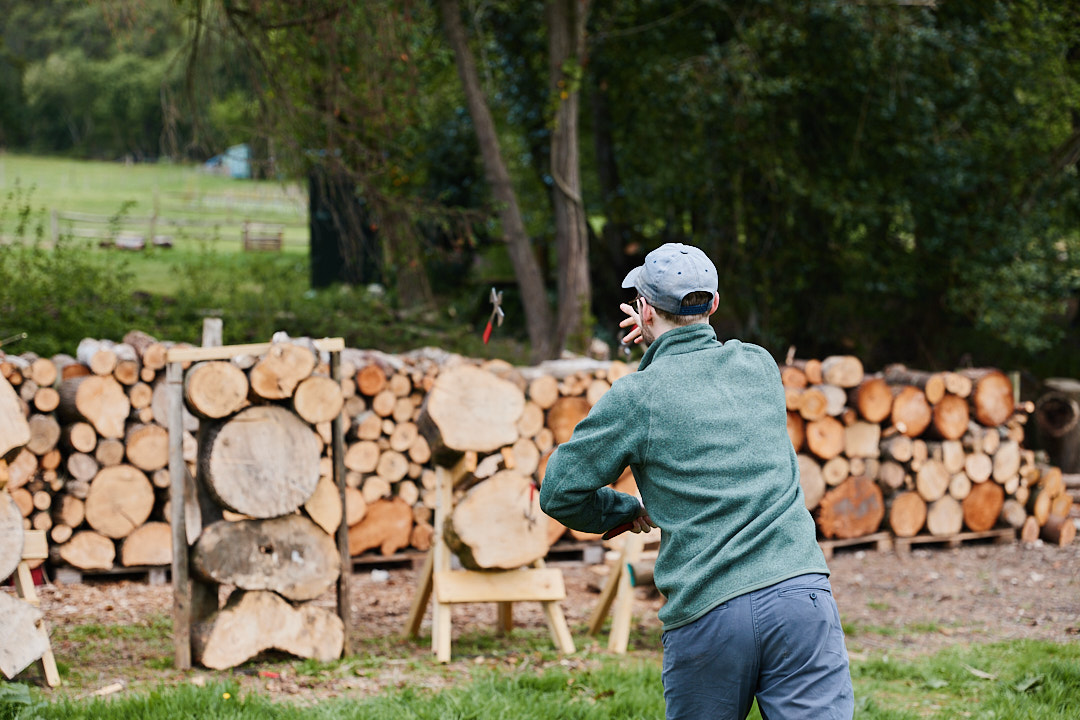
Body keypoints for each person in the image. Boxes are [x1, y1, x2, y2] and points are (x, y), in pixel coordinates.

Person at [539, 243, 854, 719]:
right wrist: (659, 341)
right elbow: (700, 381)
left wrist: (624, 510)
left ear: (644, 310)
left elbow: (559, 491)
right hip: (800, 595)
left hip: (710, 612)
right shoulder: (759, 366)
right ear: (714, 304)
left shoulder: (638, 396)